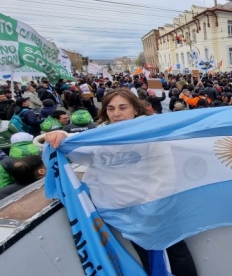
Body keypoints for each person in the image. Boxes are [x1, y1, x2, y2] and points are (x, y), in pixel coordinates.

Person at [44, 88, 197, 275]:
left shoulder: (151, 132)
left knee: (175, 252)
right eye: (111, 108)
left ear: (135, 109)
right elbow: (75, 146)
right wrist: (61, 136)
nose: (116, 113)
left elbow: (165, 173)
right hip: (124, 212)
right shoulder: (101, 136)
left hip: (157, 207)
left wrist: (153, 207)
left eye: (122, 107)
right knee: (147, 254)